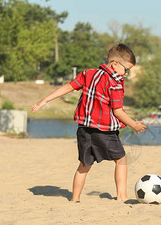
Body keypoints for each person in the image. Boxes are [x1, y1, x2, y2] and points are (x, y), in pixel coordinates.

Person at [31, 44, 147, 203]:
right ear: (114, 64)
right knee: (121, 159)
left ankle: (75, 199)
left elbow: (68, 87)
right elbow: (117, 110)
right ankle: (122, 196)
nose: (126, 74)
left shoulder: (88, 73)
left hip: (84, 130)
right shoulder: (116, 82)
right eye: (126, 69)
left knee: (84, 165)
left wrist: (45, 100)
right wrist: (134, 125)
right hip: (104, 132)